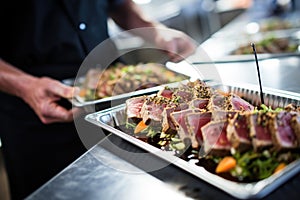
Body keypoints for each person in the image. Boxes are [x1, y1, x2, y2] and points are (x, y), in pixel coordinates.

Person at [0, 0, 196, 199]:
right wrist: (25, 86)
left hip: (116, 98)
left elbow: (119, 4)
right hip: (36, 118)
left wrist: (155, 30)